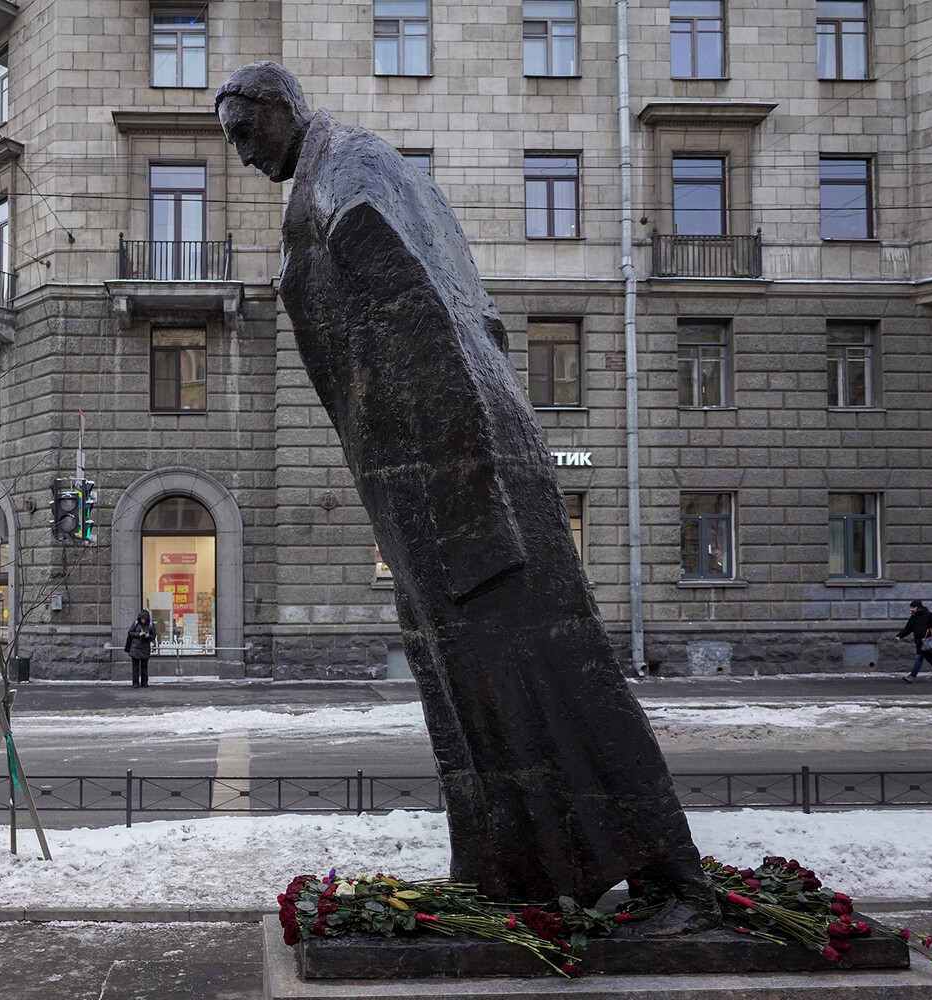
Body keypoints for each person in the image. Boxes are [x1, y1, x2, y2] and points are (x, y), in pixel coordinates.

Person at [216, 62, 717, 934]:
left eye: (242, 133)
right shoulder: (340, 174)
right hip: (428, 474)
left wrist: (469, 495)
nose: (241, 154)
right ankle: (516, 876)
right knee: (477, 688)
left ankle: (674, 881)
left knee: (557, 673)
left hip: (456, 469)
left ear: (280, 109)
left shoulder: (348, 178)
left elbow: (431, 327)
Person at [896, 599, 932, 683]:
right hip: (920, 642)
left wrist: (929, 631)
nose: (911, 609)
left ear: (918, 607)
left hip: (927, 642)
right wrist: (899, 636)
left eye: (913, 607)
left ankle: (911, 676)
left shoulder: (929, 615)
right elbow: (908, 629)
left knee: (918, 658)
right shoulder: (913, 618)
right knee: (931, 659)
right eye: (911, 607)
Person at [125, 610, 156, 688]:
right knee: (135, 667)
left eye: (144, 619)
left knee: (144, 666)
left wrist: (148, 636)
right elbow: (130, 632)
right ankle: (135, 683)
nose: (143, 620)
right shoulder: (136, 623)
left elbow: (154, 636)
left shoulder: (151, 625)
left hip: (144, 648)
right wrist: (139, 634)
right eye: (142, 619)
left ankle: (144, 682)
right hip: (135, 648)